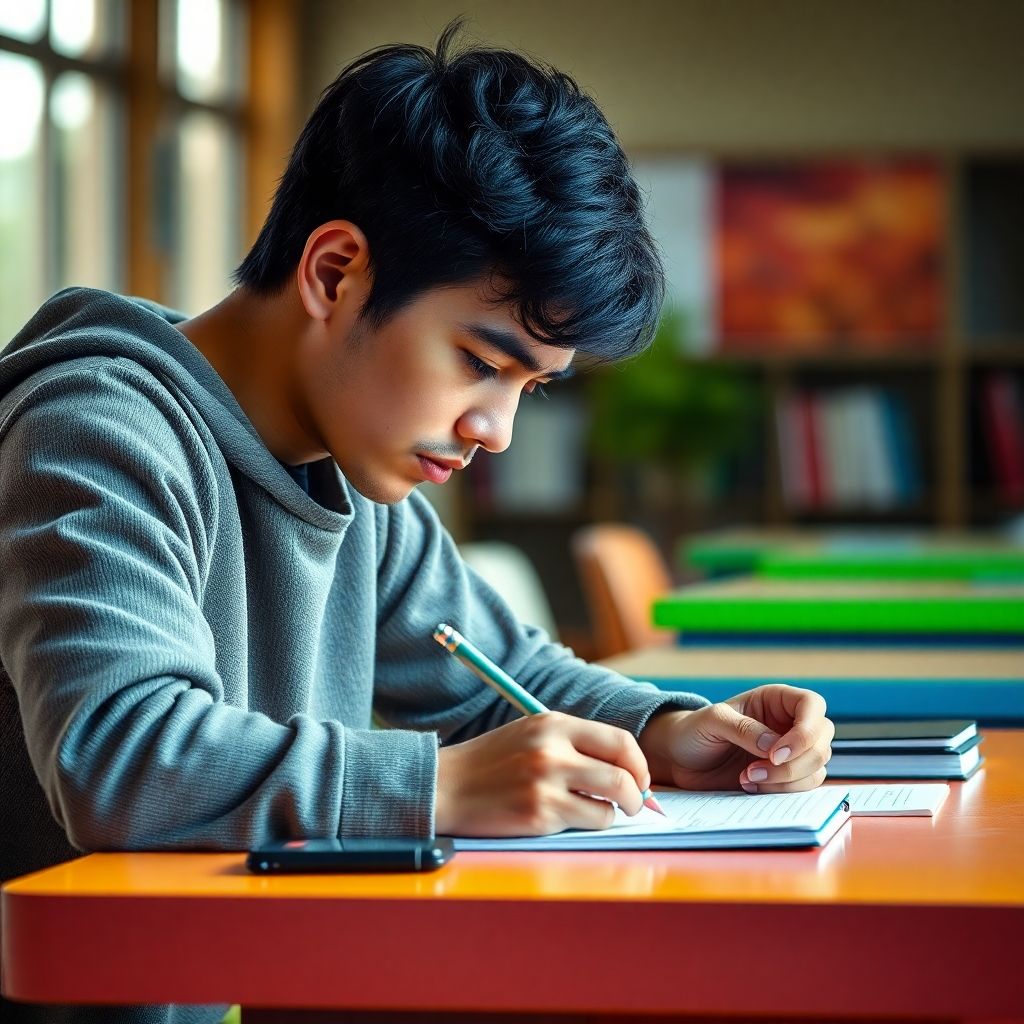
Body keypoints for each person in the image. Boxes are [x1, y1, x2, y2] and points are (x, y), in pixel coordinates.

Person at [0, 23, 833, 1024]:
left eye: (532, 385)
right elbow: (119, 755)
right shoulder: (95, 427)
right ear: (335, 273)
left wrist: (665, 728)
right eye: (481, 362)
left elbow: (502, 678)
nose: (495, 429)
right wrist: (432, 786)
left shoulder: (350, 477)